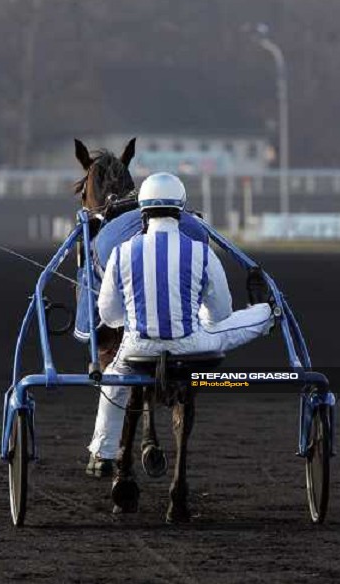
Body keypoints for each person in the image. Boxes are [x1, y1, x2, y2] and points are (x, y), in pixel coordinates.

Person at [86, 173, 274, 475]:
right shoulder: (202, 251)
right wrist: (201, 320)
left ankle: (102, 453)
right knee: (261, 314)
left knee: (113, 381)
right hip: (192, 346)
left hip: (137, 348)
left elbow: (108, 315)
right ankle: (267, 314)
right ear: (181, 211)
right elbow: (221, 313)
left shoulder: (121, 252)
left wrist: (135, 320)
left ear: (142, 212)